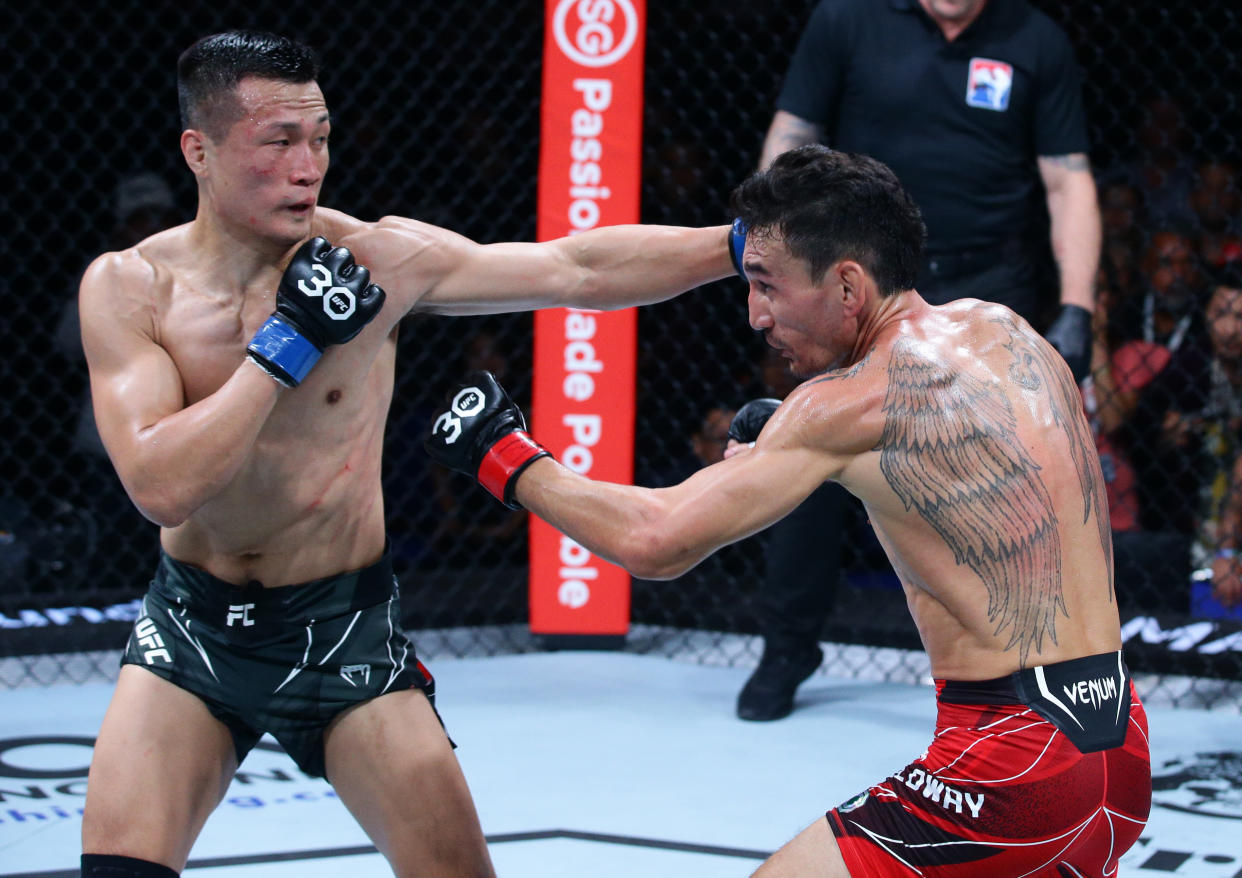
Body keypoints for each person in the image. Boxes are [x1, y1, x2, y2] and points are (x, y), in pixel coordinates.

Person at [76, 30, 734, 878]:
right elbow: (161, 486)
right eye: (278, 141)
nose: (308, 165)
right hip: (193, 629)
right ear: (198, 151)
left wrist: (741, 245)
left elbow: (578, 270)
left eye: (319, 138)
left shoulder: (377, 258)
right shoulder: (130, 287)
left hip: (340, 626)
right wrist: (286, 347)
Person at [426, 146, 1151, 878]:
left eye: (768, 286)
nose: (754, 314)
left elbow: (656, 541)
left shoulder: (844, 406)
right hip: (1120, 740)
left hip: (1013, 762)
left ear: (847, 286)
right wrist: (804, 452)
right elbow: (969, 480)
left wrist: (508, 457)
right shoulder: (1008, 333)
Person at [745, 0, 1103, 719]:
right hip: (859, 286)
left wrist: (1076, 307)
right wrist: (776, 268)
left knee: (1019, 473)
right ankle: (787, 645)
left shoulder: (1034, 40)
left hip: (988, 283)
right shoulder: (847, 21)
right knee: (807, 445)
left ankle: (1039, 663)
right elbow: (789, 143)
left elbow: (1068, 180)